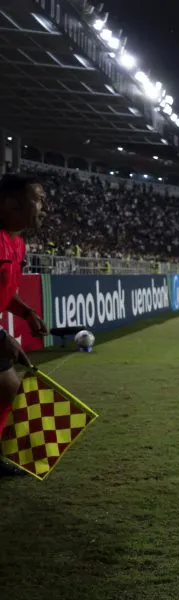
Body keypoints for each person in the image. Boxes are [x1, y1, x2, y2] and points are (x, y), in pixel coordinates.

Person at [0, 174, 50, 476]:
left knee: (9, 390)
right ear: (10, 203)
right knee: (10, 389)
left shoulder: (16, 244)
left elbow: (6, 291)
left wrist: (27, 313)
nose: (42, 206)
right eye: (37, 199)